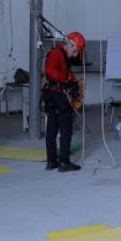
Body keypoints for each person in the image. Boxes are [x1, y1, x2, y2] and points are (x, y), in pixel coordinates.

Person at [43, 32, 85, 172]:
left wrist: (71, 80)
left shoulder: (61, 55)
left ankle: (51, 161)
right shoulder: (57, 54)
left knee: (52, 128)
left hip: (51, 95)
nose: (75, 54)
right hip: (58, 96)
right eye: (75, 51)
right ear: (70, 44)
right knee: (66, 128)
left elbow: (65, 72)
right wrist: (66, 80)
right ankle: (64, 162)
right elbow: (50, 71)